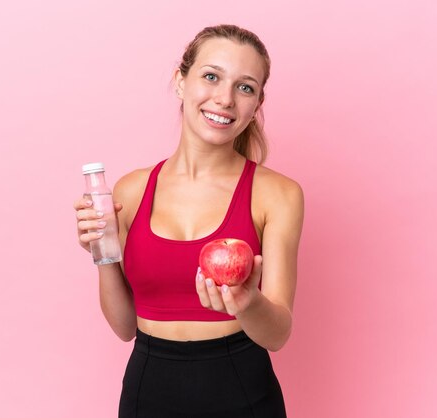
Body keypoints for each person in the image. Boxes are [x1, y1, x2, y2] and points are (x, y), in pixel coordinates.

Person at [75, 24, 304, 418]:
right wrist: (102, 253)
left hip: (243, 390)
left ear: (256, 104)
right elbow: (124, 327)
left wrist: (247, 302)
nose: (225, 99)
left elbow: (278, 333)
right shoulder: (131, 190)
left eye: (245, 87)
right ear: (180, 81)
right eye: (211, 76)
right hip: (148, 389)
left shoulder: (278, 194)